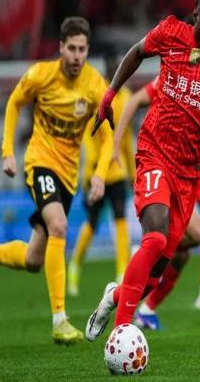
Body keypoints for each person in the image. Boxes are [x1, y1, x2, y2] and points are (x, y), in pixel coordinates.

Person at [85, 0, 200, 342]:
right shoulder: (170, 33)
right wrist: (109, 94)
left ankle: (114, 297)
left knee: (155, 272)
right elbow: (137, 52)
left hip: (188, 172)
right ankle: (121, 333)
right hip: (154, 152)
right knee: (153, 237)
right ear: (196, 15)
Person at [0, 16, 113, 345]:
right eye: (71, 48)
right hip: (40, 163)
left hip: (69, 177)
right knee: (59, 225)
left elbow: (107, 136)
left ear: (88, 50)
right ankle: (60, 320)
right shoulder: (40, 75)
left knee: (34, 259)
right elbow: (14, 102)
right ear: (60, 47)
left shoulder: (95, 85)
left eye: (82, 49)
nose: (76, 56)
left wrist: (100, 173)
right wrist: (7, 151)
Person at [109, 76, 200, 330]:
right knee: (191, 233)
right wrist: (116, 143)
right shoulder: (174, 76)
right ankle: (145, 259)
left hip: (197, 165)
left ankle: (146, 306)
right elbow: (137, 101)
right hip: (168, 165)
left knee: (185, 249)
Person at [67, 54, 135, 296]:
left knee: (120, 218)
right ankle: (75, 265)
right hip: (97, 172)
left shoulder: (127, 97)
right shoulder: (98, 96)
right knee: (92, 223)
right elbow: (90, 133)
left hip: (117, 172)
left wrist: (133, 172)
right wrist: (92, 167)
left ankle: (122, 270)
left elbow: (126, 140)